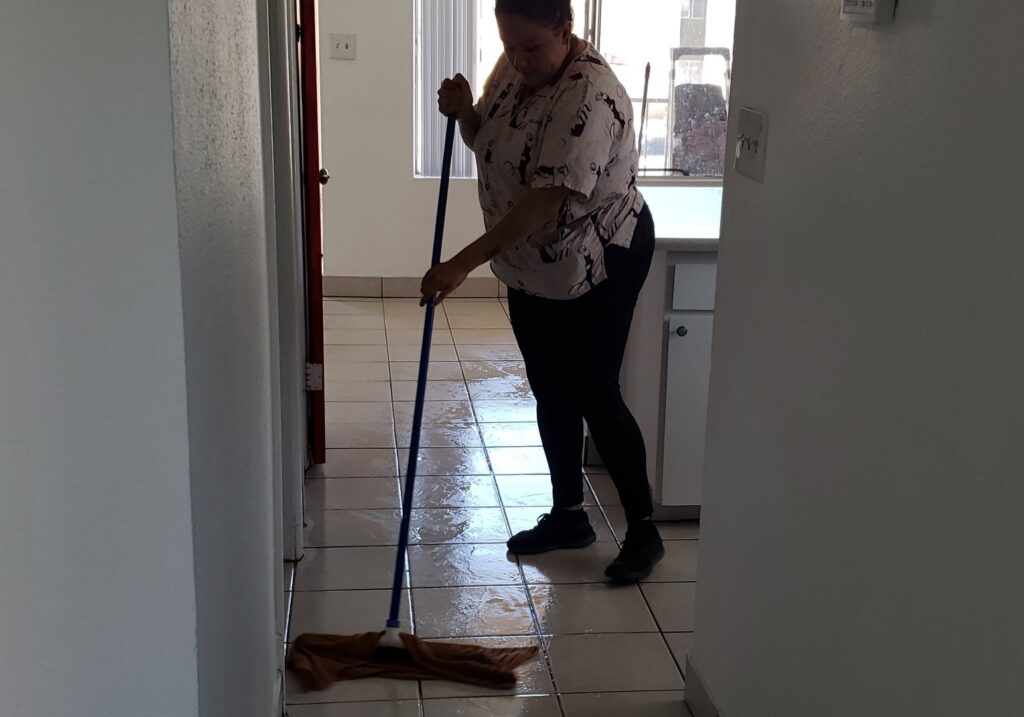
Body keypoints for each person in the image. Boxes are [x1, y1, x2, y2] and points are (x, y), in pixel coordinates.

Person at [419, 0, 663, 582]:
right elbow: (492, 144)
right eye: (510, 46)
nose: (519, 60)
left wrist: (459, 265)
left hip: (601, 254)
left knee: (593, 389)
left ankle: (644, 530)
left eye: (532, 47)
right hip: (534, 258)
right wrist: (463, 114)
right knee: (549, 385)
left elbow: (544, 201)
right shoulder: (516, 67)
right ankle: (569, 516)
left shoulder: (590, 96)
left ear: (566, 30)